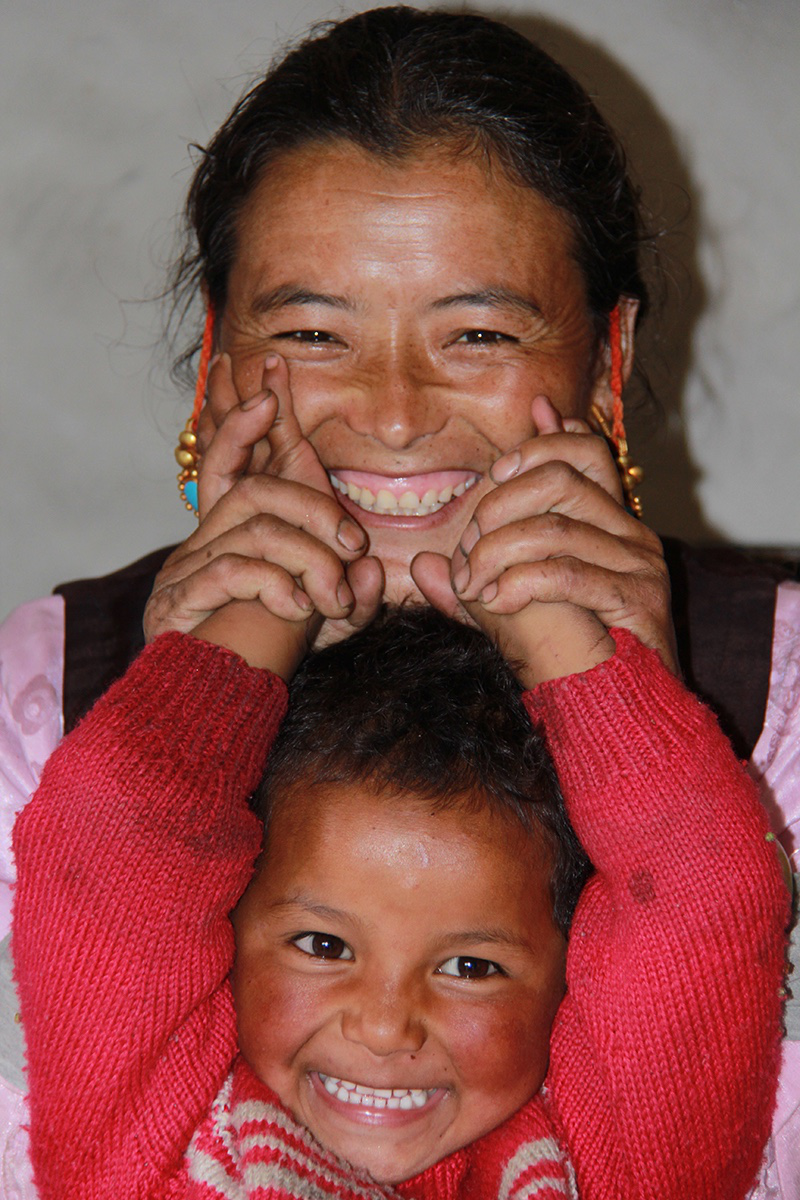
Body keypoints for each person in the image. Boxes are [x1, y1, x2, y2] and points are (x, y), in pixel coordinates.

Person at [0, 4, 797, 1194]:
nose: (391, 415)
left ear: (606, 361)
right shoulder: (45, 691)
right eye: (312, 331)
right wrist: (219, 656)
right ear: (218, 356)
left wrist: (616, 687)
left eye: (475, 332)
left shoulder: (780, 688)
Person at [12, 602, 787, 1199]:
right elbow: (113, 845)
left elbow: (702, 894)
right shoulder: (147, 1139)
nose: (385, 1029)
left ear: (571, 974)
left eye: (471, 967)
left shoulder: (613, 1167)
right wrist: (276, 601)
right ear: (223, 935)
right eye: (323, 946)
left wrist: (548, 622)